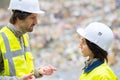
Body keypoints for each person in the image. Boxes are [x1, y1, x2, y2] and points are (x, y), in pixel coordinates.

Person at [0, 0, 56, 80]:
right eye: (32, 18)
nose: (36, 22)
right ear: (19, 17)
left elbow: (23, 71)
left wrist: (38, 72)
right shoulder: (1, 38)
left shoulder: (25, 36)